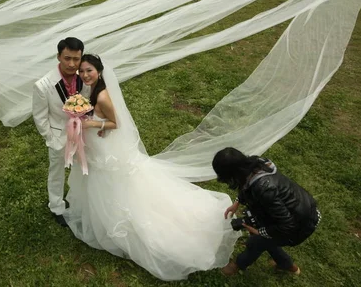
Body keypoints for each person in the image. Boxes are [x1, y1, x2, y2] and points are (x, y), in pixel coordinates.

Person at [62, 55, 239, 281]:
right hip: (96, 145)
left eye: (89, 71)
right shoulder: (87, 89)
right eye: (82, 71)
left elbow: (116, 124)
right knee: (94, 179)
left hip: (107, 150)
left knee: (114, 185)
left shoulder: (103, 96)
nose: (85, 75)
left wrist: (91, 123)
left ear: (99, 71)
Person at [213, 147, 321, 276]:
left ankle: (238, 264)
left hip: (300, 223)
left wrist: (259, 231)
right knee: (267, 240)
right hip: (292, 211)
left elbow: (287, 225)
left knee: (257, 242)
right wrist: (237, 202)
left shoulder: (264, 189)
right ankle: (287, 265)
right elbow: (246, 185)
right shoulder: (253, 165)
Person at [32, 38, 91, 227]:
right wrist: (51, 139)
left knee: (83, 167)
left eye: (76, 59)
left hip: (83, 133)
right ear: (58, 56)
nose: (72, 64)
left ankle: (80, 199)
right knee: (56, 171)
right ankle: (56, 205)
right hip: (59, 137)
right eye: (67, 58)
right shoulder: (43, 85)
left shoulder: (84, 77)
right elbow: (40, 117)